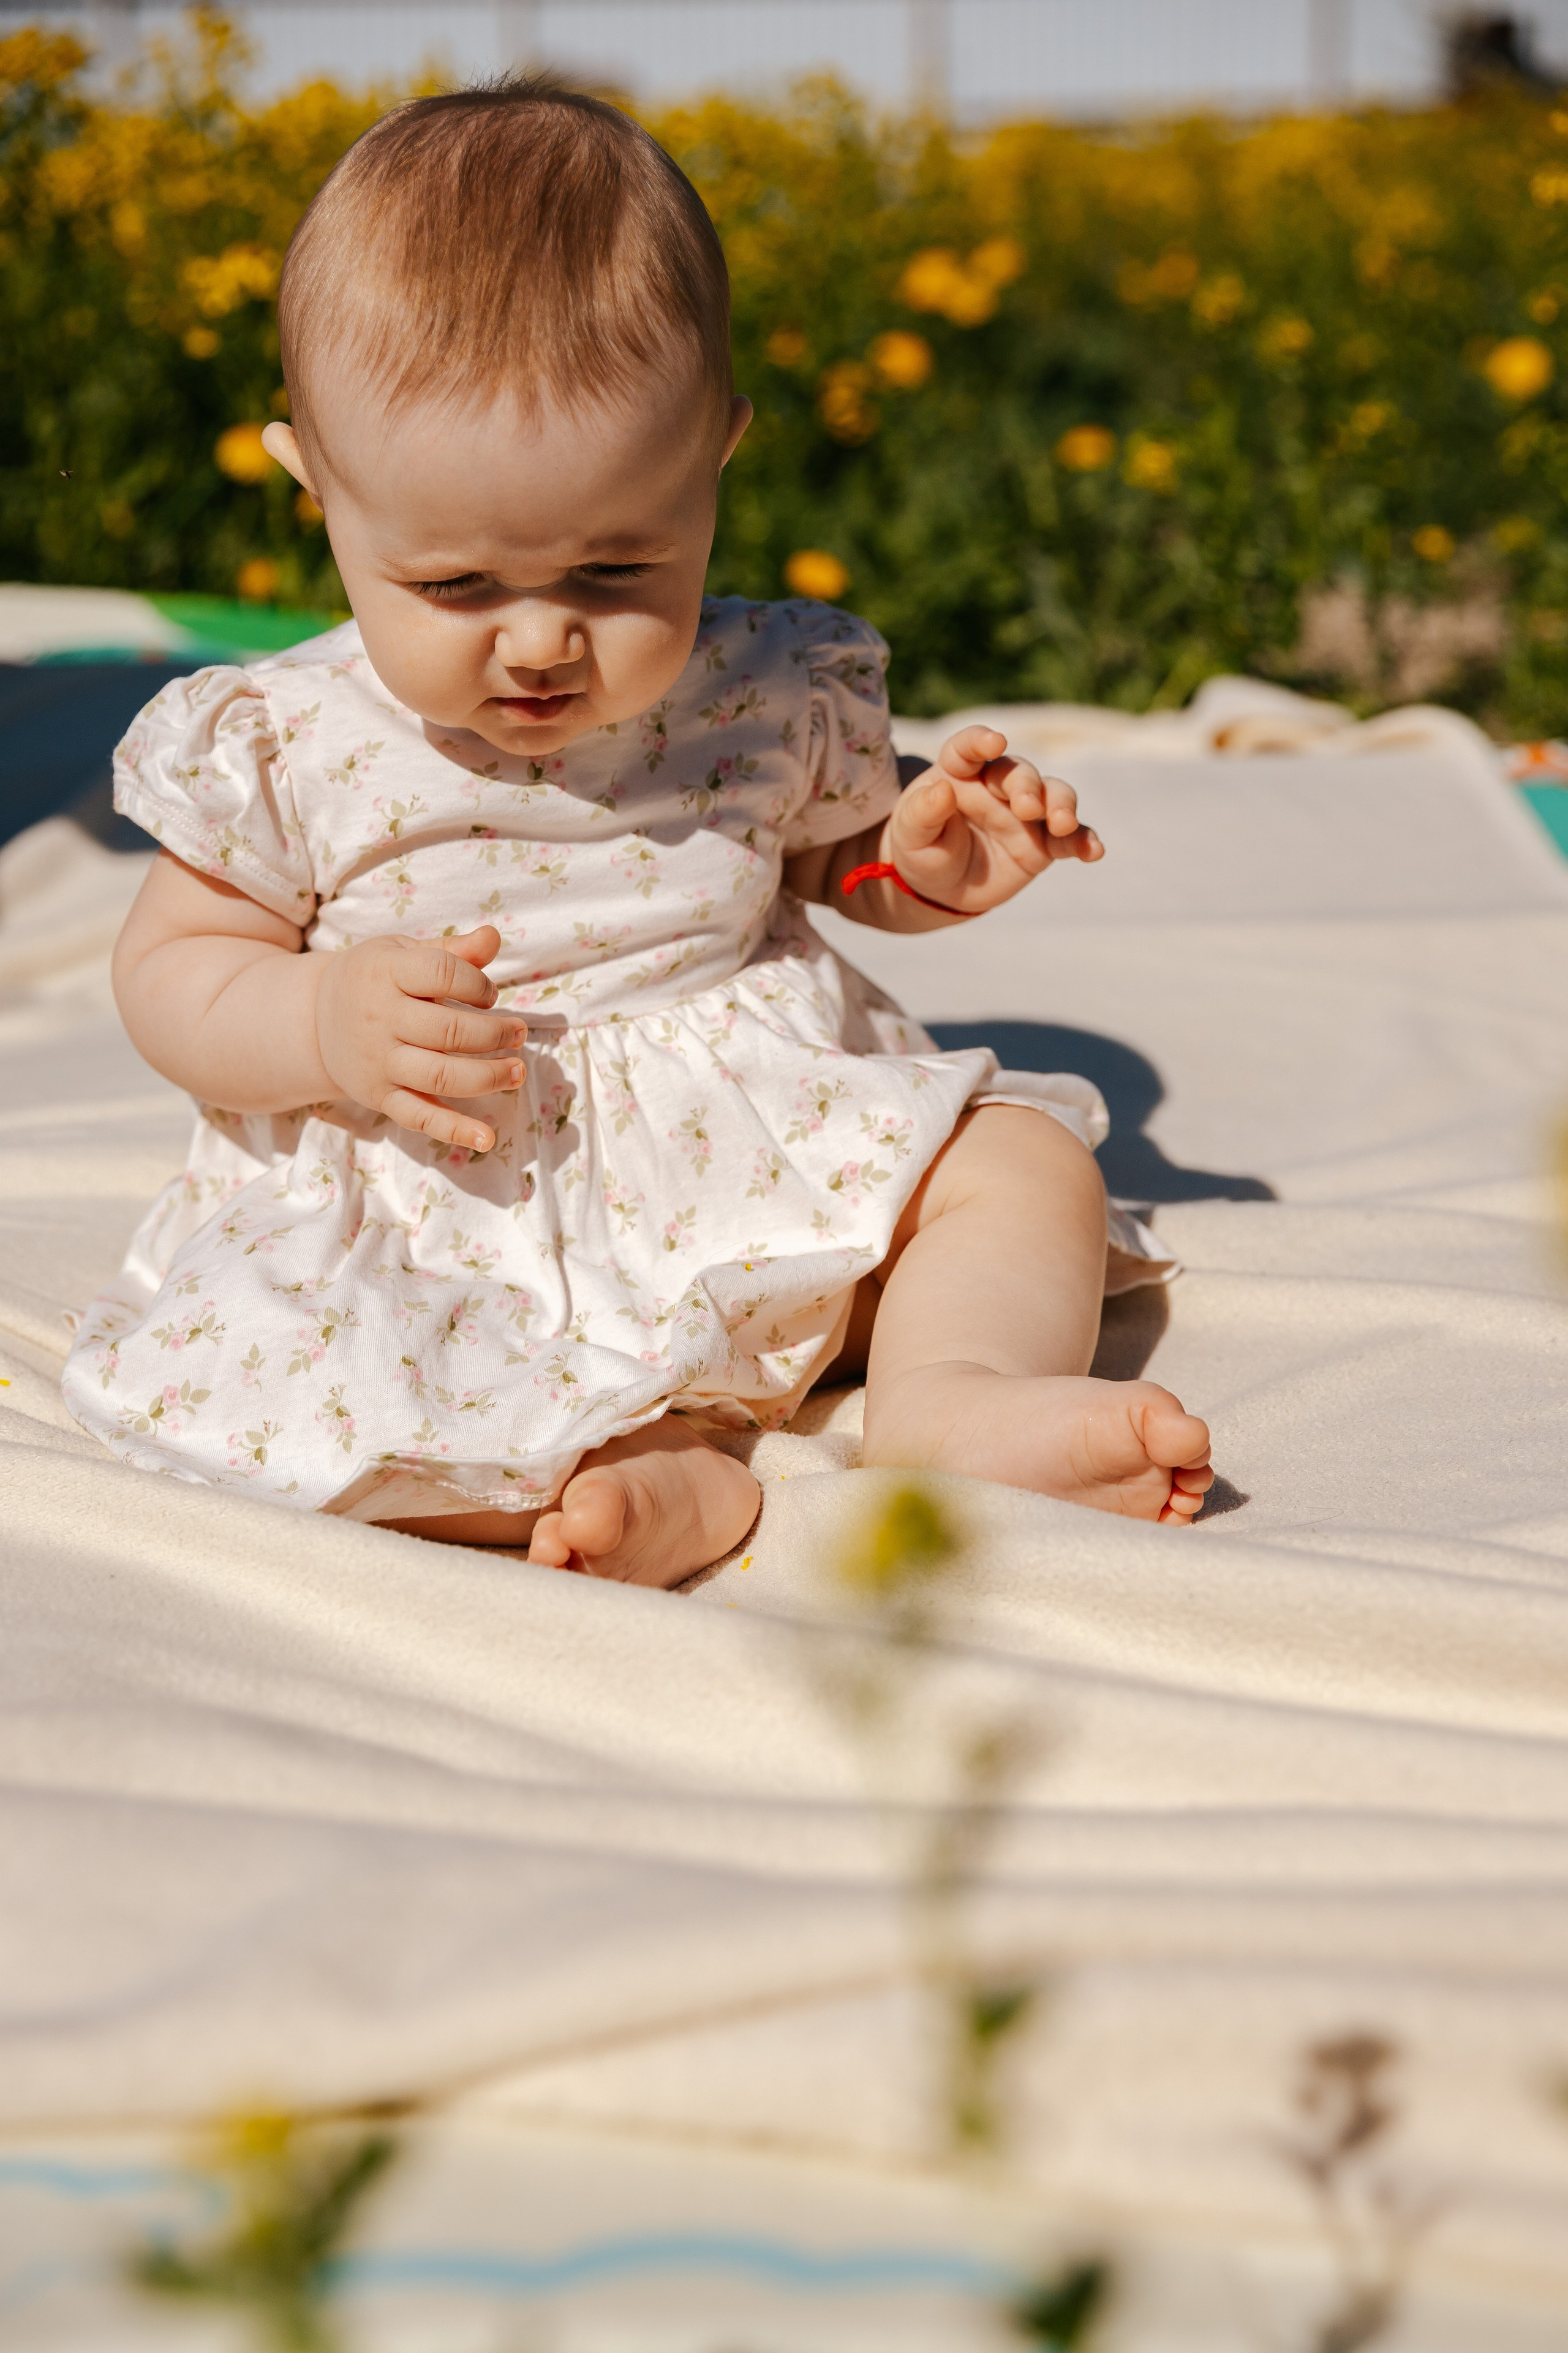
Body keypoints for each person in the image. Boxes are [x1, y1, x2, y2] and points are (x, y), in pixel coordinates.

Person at [61, 77, 1213, 1583]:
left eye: (617, 570)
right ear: (316, 488)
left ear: (713, 460)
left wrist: (915, 869)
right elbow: (175, 971)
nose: (539, 641)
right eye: (456, 587)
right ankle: (653, 1464)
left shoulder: (767, 686)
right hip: (458, 1187)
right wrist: (322, 1021)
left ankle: (946, 1395)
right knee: (352, 1378)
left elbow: (818, 860)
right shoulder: (289, 740)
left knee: (1018, 1162)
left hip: (751, 1144)